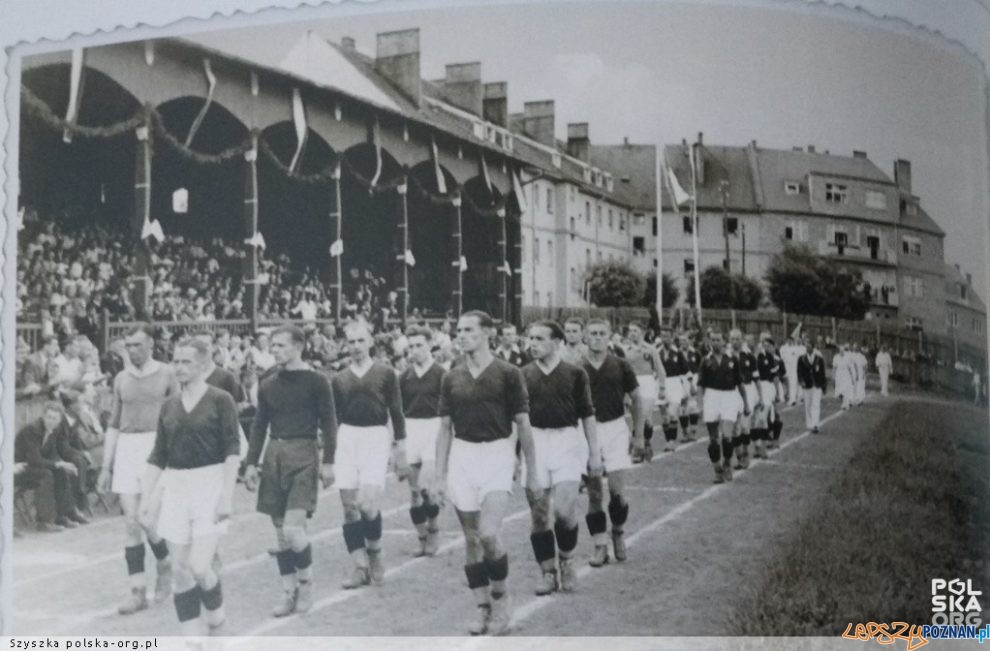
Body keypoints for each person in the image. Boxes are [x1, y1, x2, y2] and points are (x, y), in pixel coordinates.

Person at [434, 311, 540, 636]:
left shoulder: (509, 374)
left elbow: (523, 424)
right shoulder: (451, 377)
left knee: (489, 535)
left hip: (497, 453)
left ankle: (501, 595)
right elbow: (444, 429)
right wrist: (439, 476)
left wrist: (532, 471)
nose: (461, 336)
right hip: (463, 456)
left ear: (486, 334)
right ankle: (481, 608)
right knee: (470, 539)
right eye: (459, 331)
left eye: (468, 330)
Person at [138, 338, 241, 635]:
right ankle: (192, 640)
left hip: (210, 483)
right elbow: (159, 454)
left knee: (199, 566)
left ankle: (218, 618)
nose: (180, 367)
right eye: (176, 361)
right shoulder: (169, 406)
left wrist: (226, 496)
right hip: (177, 486)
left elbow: (232, 450)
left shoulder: (221, 399)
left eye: (187, 362)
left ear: (202, 363)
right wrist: (147, 498)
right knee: (181, 571)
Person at [243, 325, 337, 617]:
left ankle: (306, 584)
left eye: (282, 345)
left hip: (304, 453)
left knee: (294, 529)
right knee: (281, 534)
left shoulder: (318, 381)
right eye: (273, 345)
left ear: (299, 346)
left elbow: (329, 423)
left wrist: (330, 461)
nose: (276, 350)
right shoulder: (268, 383)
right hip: (275, 456)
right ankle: (289, 591)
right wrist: (250, 463)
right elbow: (259, 427)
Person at [97, 324, 179, 615]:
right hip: (128, 450)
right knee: (131, 523)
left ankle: (164, 561)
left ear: (151, 345)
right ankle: (137, 591)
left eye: (138, 345)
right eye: (128, 346)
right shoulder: (121, 378)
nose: (132, 351)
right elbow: (114, 425)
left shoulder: (167, 374)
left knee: (148, 520)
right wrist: (106, 466)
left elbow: (178, 415)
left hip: (156, 448)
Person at [521, 320, 601, 595]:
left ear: (557, 342)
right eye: (530, 338)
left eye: (540, 339)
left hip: (567, 440)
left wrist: (594, 454)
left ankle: (566, 561)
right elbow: (516, 421)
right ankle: (547, 572)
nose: (533, 344)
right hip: (535, 443)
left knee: (565, 512)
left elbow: (588, 415)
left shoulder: (575, 374)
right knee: (540, 515)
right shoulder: (523, 374)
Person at [331, 321, 409, 589]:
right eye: (351, 342)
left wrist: (401, 448)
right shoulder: (339, 378)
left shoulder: (386, 374)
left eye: (360, 341)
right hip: (348, 437)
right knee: (349, 507)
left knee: (367, 504)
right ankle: (359, 566)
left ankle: (375, 552)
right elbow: (334, 418)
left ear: (371, 341)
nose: (355, 347)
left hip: (375, 437)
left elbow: (396, 412)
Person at [582, 319, 644, 566]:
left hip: (616, 428)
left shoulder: (620, 365)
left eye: (601, 333)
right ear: (585, 337)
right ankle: (599, 545)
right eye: (593, 333)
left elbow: (637, 398)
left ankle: (617, 531)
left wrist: (638, 434)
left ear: (609, 337)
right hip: (588, 431)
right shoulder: (577, 367)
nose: (597, 337)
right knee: (595, 494)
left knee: (617, 495)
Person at [399, 325, 445, 557]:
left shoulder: (441, 374)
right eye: (411, 346)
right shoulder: (404, 376)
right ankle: (421, 537)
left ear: (429, 345)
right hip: (411, 430)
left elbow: (449, 411)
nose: (415, 350)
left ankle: (434, 529)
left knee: (428, 489)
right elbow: (397, 411)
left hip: (433, 428)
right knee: (415, 492)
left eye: (419, 345)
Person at [15, 401, 88, 531]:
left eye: (54, 418)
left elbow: (52, 454)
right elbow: (34, 459)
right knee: (46, 475)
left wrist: (64, 464)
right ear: (43, 416)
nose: (51, 421)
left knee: (61, 472)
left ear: (59, 421)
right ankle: (44, 521)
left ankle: (62, 515)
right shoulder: (31, 430)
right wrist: (58, 464)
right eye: (48, 417)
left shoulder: (53, 430)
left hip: (33, 468)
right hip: (18, 469)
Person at [697, 331, 748, 483]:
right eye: (713, 340)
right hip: (712, 397)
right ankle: (717, 469)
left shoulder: (732, 359)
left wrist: (746, 403)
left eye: (718, 339)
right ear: (709, 342)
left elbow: (740, 384)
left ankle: (727, 463)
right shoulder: (705, 361)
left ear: (724, 341)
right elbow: (700, 386)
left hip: (729, 397)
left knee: (727, 436)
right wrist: (700, 405)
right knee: (713, 439)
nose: (715, 342)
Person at [623, 321, 665, 461]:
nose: (632, 333)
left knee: (645, 416)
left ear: (641, 332)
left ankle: (641, 445)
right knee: (636, 419)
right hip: (631, 384)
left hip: (647, 383)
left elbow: (659, 369)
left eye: (635, 330)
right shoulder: (625, 350)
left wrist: (662, 387)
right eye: (630, 330)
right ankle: (641, 445)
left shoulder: (650, 349)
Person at [729, 331, 760, 470]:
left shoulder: (749, 356)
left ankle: (746, 453)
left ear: (742, 340)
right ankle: (739, 456)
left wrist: (760, 396)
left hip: (747, 390)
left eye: (737, 339)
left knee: (745, 426)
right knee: (734, 428)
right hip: (731, 391)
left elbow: (756, 378)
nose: (735, 341)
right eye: (732, 339)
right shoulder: (726, 356)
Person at [657, 330, 689, 452]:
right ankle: (668, 440)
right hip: (661, 383)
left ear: (671, 337)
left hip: (675, 383)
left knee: (672, 413)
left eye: (667, 336)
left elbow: (686, 371)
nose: (664, 338)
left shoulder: (678, 353)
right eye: (662, 336)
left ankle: (672, 441)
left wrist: (689, 386)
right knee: (664, 417)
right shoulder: (657, 352)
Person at [797, 340, 827, 433]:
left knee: (816, 404)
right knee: (808, 405)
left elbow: (822, 373)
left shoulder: (819, 359)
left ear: (813, 347)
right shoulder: (801, 359)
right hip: (807, 385)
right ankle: (809, 423)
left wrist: (823, 386)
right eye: (806, 346)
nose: (807, 348)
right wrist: (801, 381)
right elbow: (799, 372)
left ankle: (815, 424)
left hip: (816, 385)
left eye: (809, 346)